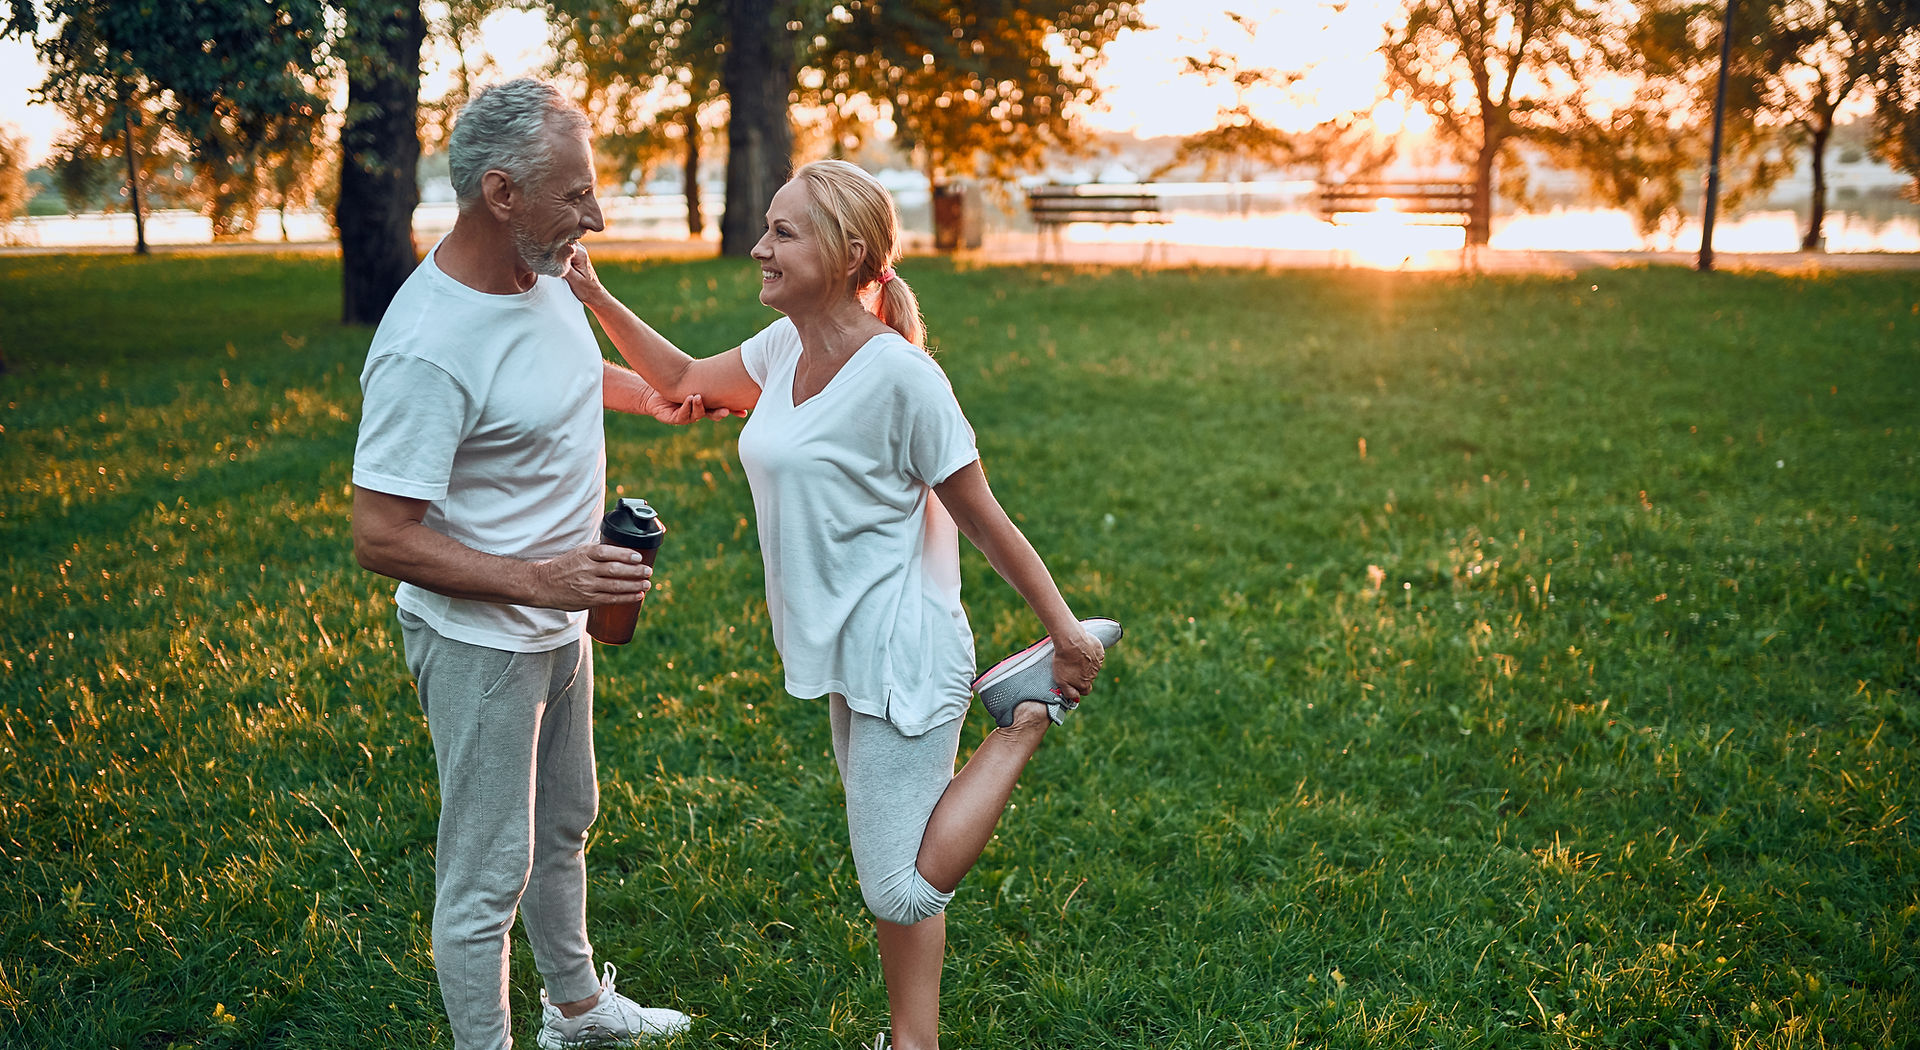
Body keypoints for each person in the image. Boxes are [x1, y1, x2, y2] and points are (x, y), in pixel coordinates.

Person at [560, 158, 1111, 1050]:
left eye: (783, 232)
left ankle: (1025, 717)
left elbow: (986, 520)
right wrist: (593, 293)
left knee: (899, 885)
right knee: (892, 852)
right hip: (843, 650)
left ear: (848, 251)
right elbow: (682, 378)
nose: (758, 247)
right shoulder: (787, 349)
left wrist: (1066, 634)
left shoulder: (903, 380)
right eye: (766, 228)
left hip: (905, 651)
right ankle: (912, 1040)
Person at [351, 78, 717, 1050]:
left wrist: (646, 398)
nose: (594, 216)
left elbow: (547, 376)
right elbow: (379, 536)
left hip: (559, 623)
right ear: (502, 192)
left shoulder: (540, 269)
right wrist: (539, 580)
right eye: (576, 196)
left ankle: (577, 1008)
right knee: (487, 872)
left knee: (566, 823)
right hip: (482, 641)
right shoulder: (427, 346)